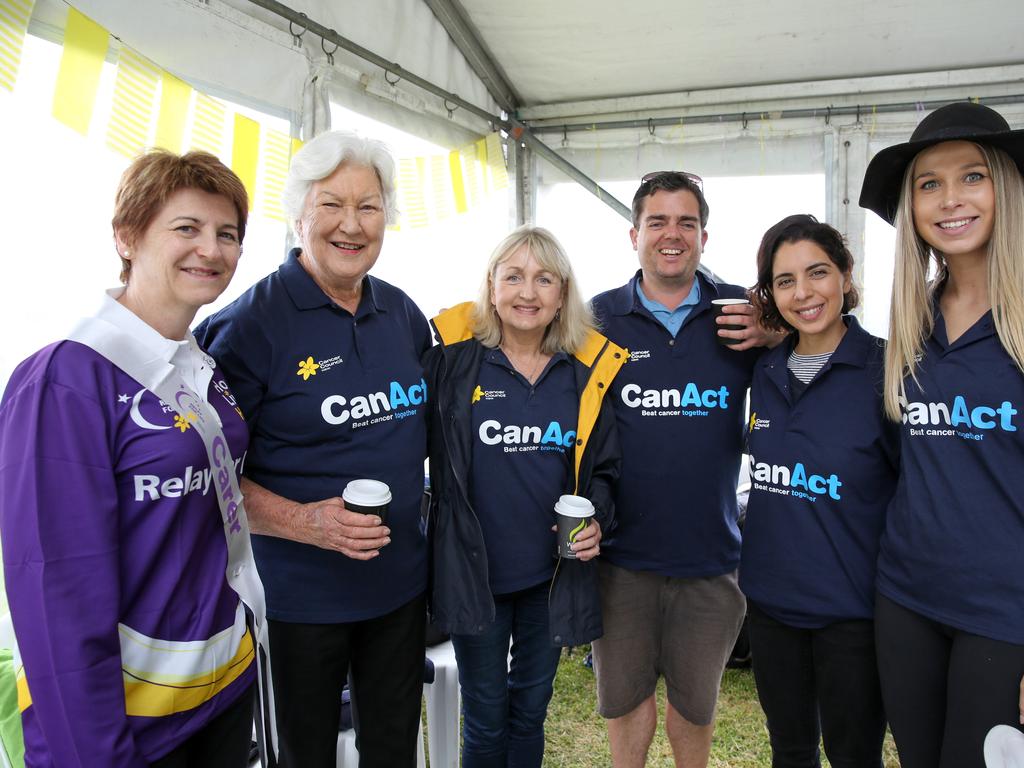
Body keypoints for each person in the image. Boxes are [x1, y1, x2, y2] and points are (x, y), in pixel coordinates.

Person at [0, 150, 259, 767]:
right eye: (186, 228)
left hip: (219, 693)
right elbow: (55, 587)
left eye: (227, 234)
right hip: (124, 728)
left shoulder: (201, 369)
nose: (212, 250)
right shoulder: (63, 381)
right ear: (127, 236)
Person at [195, 131, 430, 768]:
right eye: (331, 205)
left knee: (392, 750)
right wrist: (307, 522)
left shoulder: (404, 315)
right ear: (298, 213)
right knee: (304, 756)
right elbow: (203, 473)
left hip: (401, 591)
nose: (351, 226)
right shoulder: (247, 327)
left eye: (369, 207)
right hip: (297, 603)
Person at [589, 171, 774, 768]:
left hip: (711, 561)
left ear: (704, 235)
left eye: (686, 223)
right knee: (626, 706)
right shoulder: (597, 319)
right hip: (621, 560)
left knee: (694, 711)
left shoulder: (743, 312)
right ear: (634, 233)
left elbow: (816, 339)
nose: (673, 235)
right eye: (658, 221)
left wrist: (777, 331)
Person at [859, 100, 1024, 768]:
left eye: (972, 176)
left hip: (1006, 617)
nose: (950, 199)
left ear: (1007, 188)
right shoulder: (910, 323)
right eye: (929, 183)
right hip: (907, 602)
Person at [425, 226, 626, 767]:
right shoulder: (453, 363)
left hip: (552, 579)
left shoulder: (584, 373)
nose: (527, 292)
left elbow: (603, 470)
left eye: (544, 279)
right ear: (491, 287)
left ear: (562, 293)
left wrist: (598, 520)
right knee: (486, 718)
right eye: (513, 277)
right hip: (477, 575)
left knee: (531, 710)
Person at [741, 214, 898, 768]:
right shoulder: (763, 371)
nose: (803, 293)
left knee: (854, 755)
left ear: (846, 276)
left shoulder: (890, 368)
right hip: (770, 606)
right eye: (785, 281)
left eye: (818, 273)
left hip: (852, 614)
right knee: (790, 750)